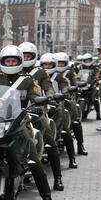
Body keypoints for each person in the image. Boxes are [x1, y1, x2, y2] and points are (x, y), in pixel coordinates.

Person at [0, 45, 57, 200]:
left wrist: (39, 104)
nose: (10, 63)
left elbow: (34, 95)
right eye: (7, 61)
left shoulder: (27, 80)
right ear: (2, 62)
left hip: (20, 123)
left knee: (33, 160)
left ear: (19, 62)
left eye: (13, 61)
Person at [19, 42, 64, 191]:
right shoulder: (12, 71)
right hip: (15, 114)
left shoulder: (40, 72)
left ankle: (57, 178)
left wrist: (49, 96)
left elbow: (48, 86)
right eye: (23, 55)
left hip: (36, 110)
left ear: (33, 57)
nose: (25, 58)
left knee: (50, 141)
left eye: (28, 56)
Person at [40, 53, 78, 169]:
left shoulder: (59, 76)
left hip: (55, 104)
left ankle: (72, 158)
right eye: (45, 64)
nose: (47, 67)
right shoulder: (37, 76)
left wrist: (63, 93)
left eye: (50, 65)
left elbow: (64, 86)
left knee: (65, 130)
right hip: (40, 106)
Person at [55, 52, 88, 156]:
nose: (60, 65)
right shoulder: (51, 73)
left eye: (62, 63)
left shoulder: (69, 72)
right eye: (58, 63)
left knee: (76, 120)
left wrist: (76, 85)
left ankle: (80, 145)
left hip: (67, 100)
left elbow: (75, 79)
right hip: (53, 102)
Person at [81, 53, 101, 120]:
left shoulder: (95, 67)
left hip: (91, 84)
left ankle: (98, 115)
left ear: (91, 60)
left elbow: (97, 74)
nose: (87, 61)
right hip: (82, 83)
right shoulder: (81, 66)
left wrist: (97, 78)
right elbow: (77, 74)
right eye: (85, 60)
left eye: (88, 60)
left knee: (95, 99)